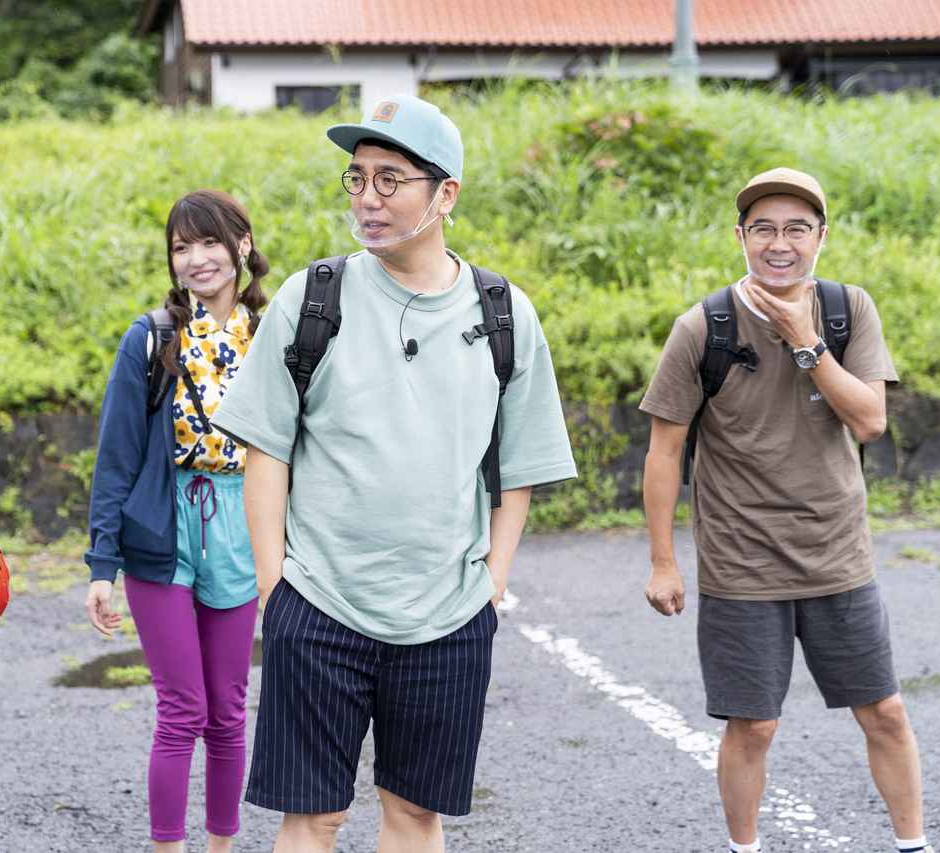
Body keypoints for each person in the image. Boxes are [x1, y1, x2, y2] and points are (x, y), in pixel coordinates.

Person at [211, 94, 577, 853]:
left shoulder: (504, 314)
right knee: (312, 818)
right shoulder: (313, 299)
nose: (368, 198)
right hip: (318, 600)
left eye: (391, 179)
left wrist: (493, 578)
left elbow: (519, 469)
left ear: (446, 194)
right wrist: (277, 585)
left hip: (448, 611)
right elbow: (266, 451)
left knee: (414, 815)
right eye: (357, 178)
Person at [640, 167, 933, 853]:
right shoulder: (702, 327)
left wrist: (808, 342)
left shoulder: (847, 310)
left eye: (797, 229)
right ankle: (745, 848)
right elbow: (664, 451)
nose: (780, 243)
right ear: (741, 236)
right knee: (754, 725)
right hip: (742, 566)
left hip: (839, 558)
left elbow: (869, 421)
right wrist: (662, 562)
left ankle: (914, 844)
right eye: (764, 228)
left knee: (886, 712)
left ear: (820, 238)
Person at [85, 190, 269, 853]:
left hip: (241, 524)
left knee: (227, 711)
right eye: (181, 247)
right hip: (162, 528)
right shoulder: (153, 337)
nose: (196, 259)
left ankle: (221, 847)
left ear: (242, 246)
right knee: (183, 708)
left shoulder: (273, 335)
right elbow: (117, 457)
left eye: (210, 243)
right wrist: (101, 565)